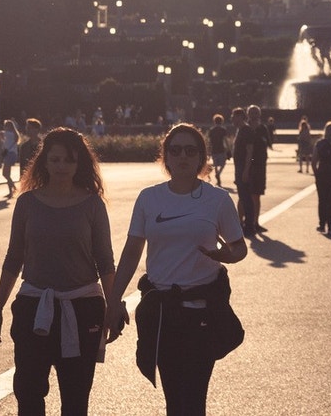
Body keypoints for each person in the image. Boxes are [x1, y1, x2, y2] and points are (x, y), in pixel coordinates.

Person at [108, 122, 247, 416]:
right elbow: (132, 252)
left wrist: (226, 255)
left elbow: (239, 248)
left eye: (190, 150)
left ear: (201, 158)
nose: (183, 156)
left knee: (193, 399)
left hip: (202, 312)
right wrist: (113, 299)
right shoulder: (149, 198)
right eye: (176, 150)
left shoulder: (217, 199)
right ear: (166, 156)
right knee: (174, 399)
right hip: (162, 313)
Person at [0, 128, 115, 416]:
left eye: (69, 160)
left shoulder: (92, 205)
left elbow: (105, 261)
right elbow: (13, 258)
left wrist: (114, 306)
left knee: (75, 400)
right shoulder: (27, 203)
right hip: (34, 308)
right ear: (44, 162)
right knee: (29, 395)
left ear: (79, 164)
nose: (61, 166)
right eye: (55, 159)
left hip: (83, 310)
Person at [229, 107, 263, 235]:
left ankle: (249, 226)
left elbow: (250, 152)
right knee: (243, 197)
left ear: (240, 117)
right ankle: (246, 224)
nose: (232, 119)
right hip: (240, 168)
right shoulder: (241, 130)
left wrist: (246, 171)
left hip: (244, 169)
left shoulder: (246, 130)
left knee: (246, 198)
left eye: (233, 117)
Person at [206, 114, 229, 186]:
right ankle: (218, 173)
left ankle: (217, 173)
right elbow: (225, 140)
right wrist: (228, 148)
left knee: (215, 164)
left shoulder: (211, 130)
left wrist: (208, 150)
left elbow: (209, 141)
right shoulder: (223, 130)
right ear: (221, 121)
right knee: (223, 163)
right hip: (221, 148)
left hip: (214, 149)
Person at [0, 118, 21, 197]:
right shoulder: (14, 134)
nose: (4, 127)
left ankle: (13, 189)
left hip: (9, 154)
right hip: (12, 153)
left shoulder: (8, 134)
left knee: (5, 174)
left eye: (5, 125)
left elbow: (0, 134)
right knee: (7, 174)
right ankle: (12, 190)